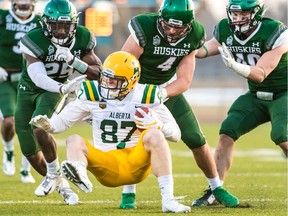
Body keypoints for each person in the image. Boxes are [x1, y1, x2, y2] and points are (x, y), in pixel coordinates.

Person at [30, 51, 192, 213]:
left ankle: (168, 200)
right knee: (73, 140)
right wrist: (48, 125)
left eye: (115, 81)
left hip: (136, 164)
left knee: (154, 134)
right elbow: (61, 124)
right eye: (106, 78)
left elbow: (176, 135)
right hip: (105, 165)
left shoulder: (147, 96)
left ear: (131, 81)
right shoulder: (92, 93)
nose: (108, 84)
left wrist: (158, 125)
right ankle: (79, 172)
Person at [120, 0, 239, 208]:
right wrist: (134, 95)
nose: (173, 31)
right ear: (160, 18)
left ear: (189, 25)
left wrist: (161, 94)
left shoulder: (195, 34)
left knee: (196, 138)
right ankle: (128, 192)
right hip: (135, 89)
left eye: (179, 27)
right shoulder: (145, 27)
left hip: (166, 89)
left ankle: (216, 187)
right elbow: (123, 65)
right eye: (168, 25)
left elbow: (184, 80)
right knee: (131, 139)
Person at [193, 0, 288, 206]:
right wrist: (187, 44)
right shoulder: (226, 30)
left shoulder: (274, 31)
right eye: (234, 14)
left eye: (243, 14)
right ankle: (215, 191)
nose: (237, 19)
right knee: (228, 130)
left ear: (256, 13)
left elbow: (260, 74)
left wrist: (236, 66)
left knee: (281, 136)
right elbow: (203, 51)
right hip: (255, 96)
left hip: (284, 93)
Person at [14, 0, 101, 205]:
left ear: (74, 24)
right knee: (29, 150)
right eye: (56, 25)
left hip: (54, 91)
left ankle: (53, 175)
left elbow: (99, 73)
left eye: (66, 26)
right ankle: (62, 185)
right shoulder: (33, 39)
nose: (61, 31)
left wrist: (74, 62)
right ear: (45, 24)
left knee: (40, 126)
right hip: (30, 89)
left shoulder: (83, 37)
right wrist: (63, 88)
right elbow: (37, 76)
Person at [0, 0, 41, 183]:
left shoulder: (42, 22)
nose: (23, 5)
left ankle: (26, 170)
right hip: (5, 79)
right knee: (9, 122)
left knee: (33, 125)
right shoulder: (2, 18)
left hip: (31, 79)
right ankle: (8, 150)